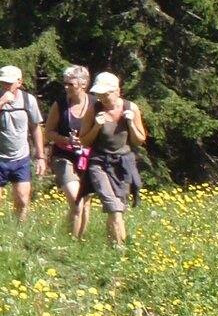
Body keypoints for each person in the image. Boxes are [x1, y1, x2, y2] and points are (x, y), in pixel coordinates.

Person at [80, 71, 145, 246]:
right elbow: (84, 140)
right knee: (114, 207)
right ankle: (120, 250)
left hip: (123, 163)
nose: (101, 98)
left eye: (105, 94)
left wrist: (130, 123)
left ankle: (113, 246)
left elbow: (139, 140)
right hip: (99, 163)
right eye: (99, 94)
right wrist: (96, 126)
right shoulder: (93, 110)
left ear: (117, 91)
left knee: (118, 208)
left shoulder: (131, 108)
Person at [0, 64, 45, 219]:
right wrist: (0, 102)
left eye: (9, 83)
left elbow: (36, 128)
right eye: (3, 82)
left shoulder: (28, 100)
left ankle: (19, 230)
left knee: (22, 199)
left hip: (21, 157)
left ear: (19, 82)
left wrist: (40, 157)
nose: (6, 86)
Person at [44, 65, 94, 238]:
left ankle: (78, 240)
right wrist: (67, 140)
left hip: (88, 157)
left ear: (83, 84)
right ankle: (70, 240)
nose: (66, 87)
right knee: (76, 201)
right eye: (65, 84)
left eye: (70, 84)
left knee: (85, 203)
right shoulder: (60, 104)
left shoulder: (95, 104)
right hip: (63, 156)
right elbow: (48, 132)